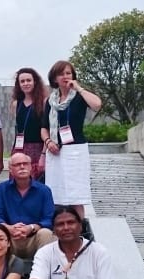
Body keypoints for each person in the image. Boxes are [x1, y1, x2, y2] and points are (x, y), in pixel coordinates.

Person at [41, 60, 102, 220]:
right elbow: (44, 127)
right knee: (55, 193)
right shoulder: (50, 101)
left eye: (68, 73)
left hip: (75, 150)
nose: (65, 76)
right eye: (61, 74)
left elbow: (97, 105)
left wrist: (79, 88)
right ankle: (57, 228)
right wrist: (48, 142)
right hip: (55, 151)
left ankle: (79, 229)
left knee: (76, 195)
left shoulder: (79, 96)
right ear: (54, 78)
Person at [0, 153, 55, 259]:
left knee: (46, 233)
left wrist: (31, 227)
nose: (22, 167)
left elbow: (49, 219)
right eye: (17, 164)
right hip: (10, 238)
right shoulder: (1, 189)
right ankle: (2, 273)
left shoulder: (44, 190)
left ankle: (45, 271)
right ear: (10, 169)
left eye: (25, 164)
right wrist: (9, 228)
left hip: (34, 238)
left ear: (30, 167)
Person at [11, 67, 47, 181]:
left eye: (28, 80)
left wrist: (44, 155)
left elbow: (48, 129)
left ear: (35, 82)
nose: (26, 83)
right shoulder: (16, 104)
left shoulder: (44, 102)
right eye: (22, 81)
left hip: (38, 149)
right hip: (20, 148)